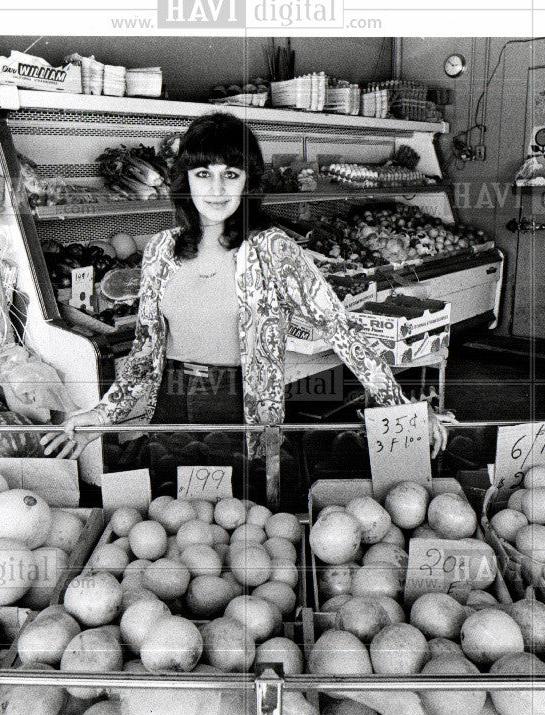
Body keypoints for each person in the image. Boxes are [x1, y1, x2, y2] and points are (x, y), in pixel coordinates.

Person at [46, 112, 448, 458]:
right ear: (184, 180)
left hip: (241, 404)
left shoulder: (272, 250)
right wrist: (102, 415)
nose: (216, 190)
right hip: (169, 399)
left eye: (230, 175)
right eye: (203, 174)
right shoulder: (160, 251)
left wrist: (401, 408)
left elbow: (341, 331)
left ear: (248, 182)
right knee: (182, 525)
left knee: (244, 525)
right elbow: (146, 350)